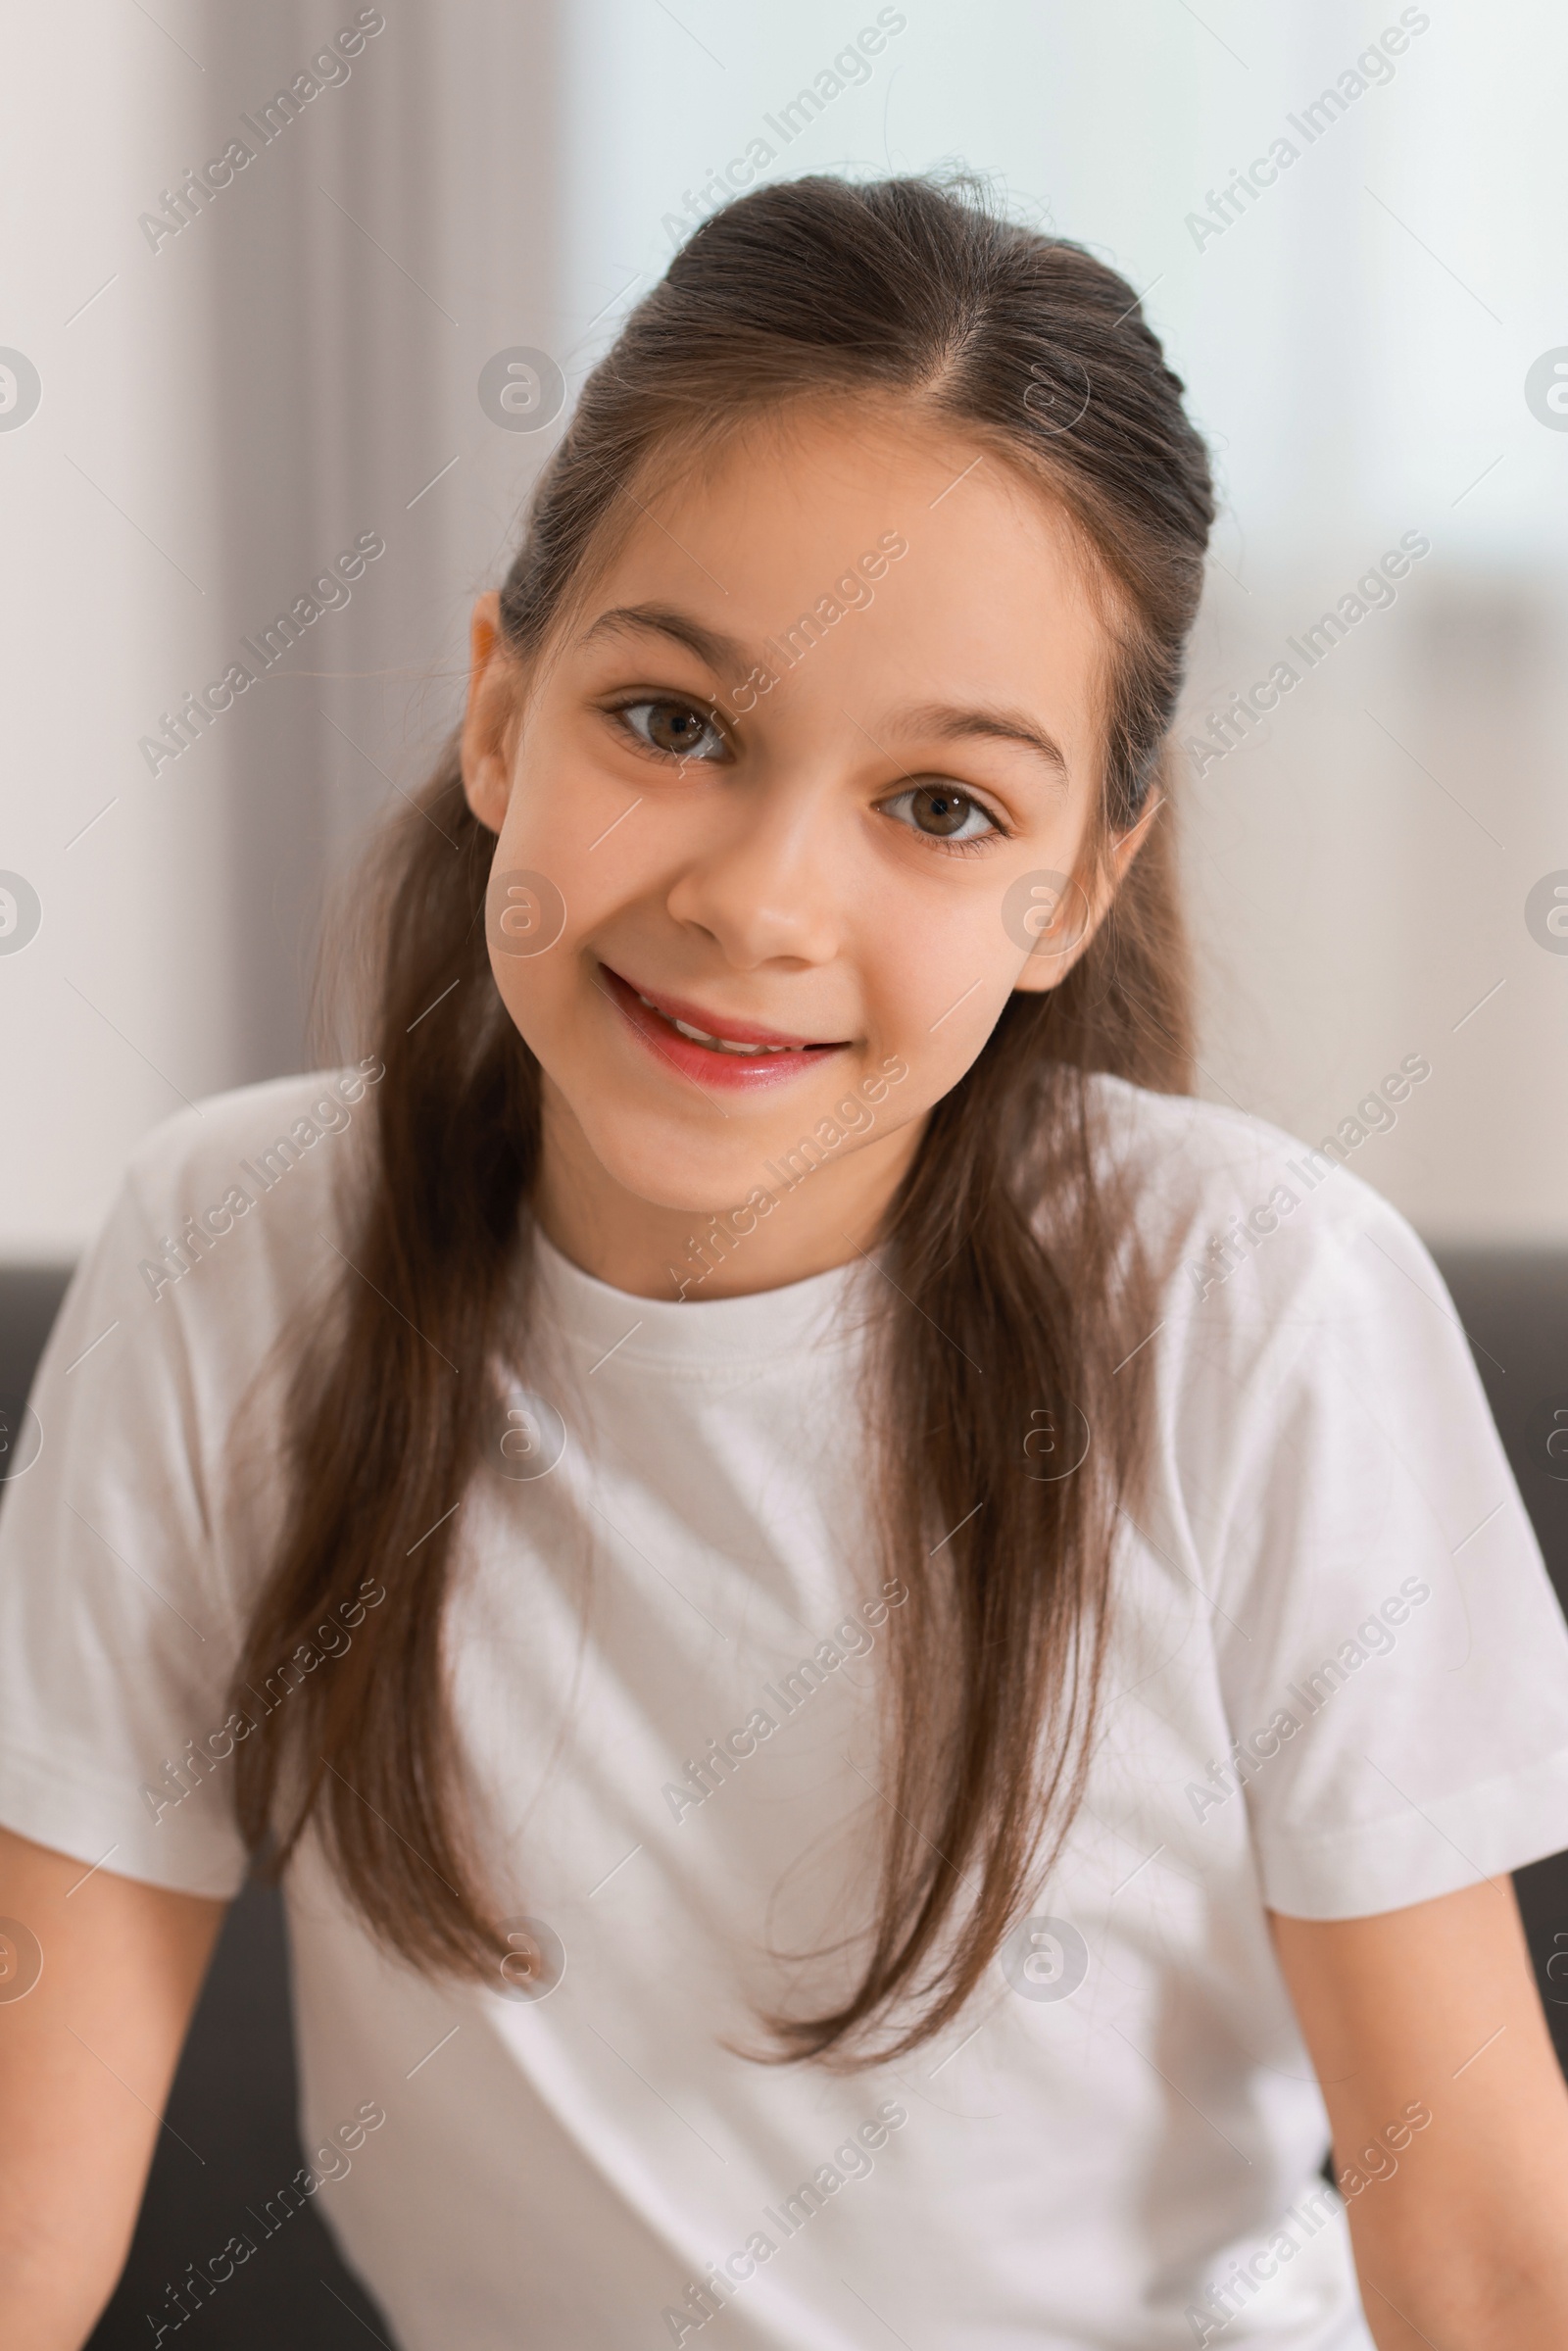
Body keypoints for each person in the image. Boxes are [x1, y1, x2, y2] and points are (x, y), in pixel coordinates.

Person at [3, 173, 1568, 2351]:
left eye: (939, 808)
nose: (758, 903)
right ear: (495, 710)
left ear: (1072, 892)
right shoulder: (234, 1254)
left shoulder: (1251, 1314)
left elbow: (1485, 2257)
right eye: (671, 725)